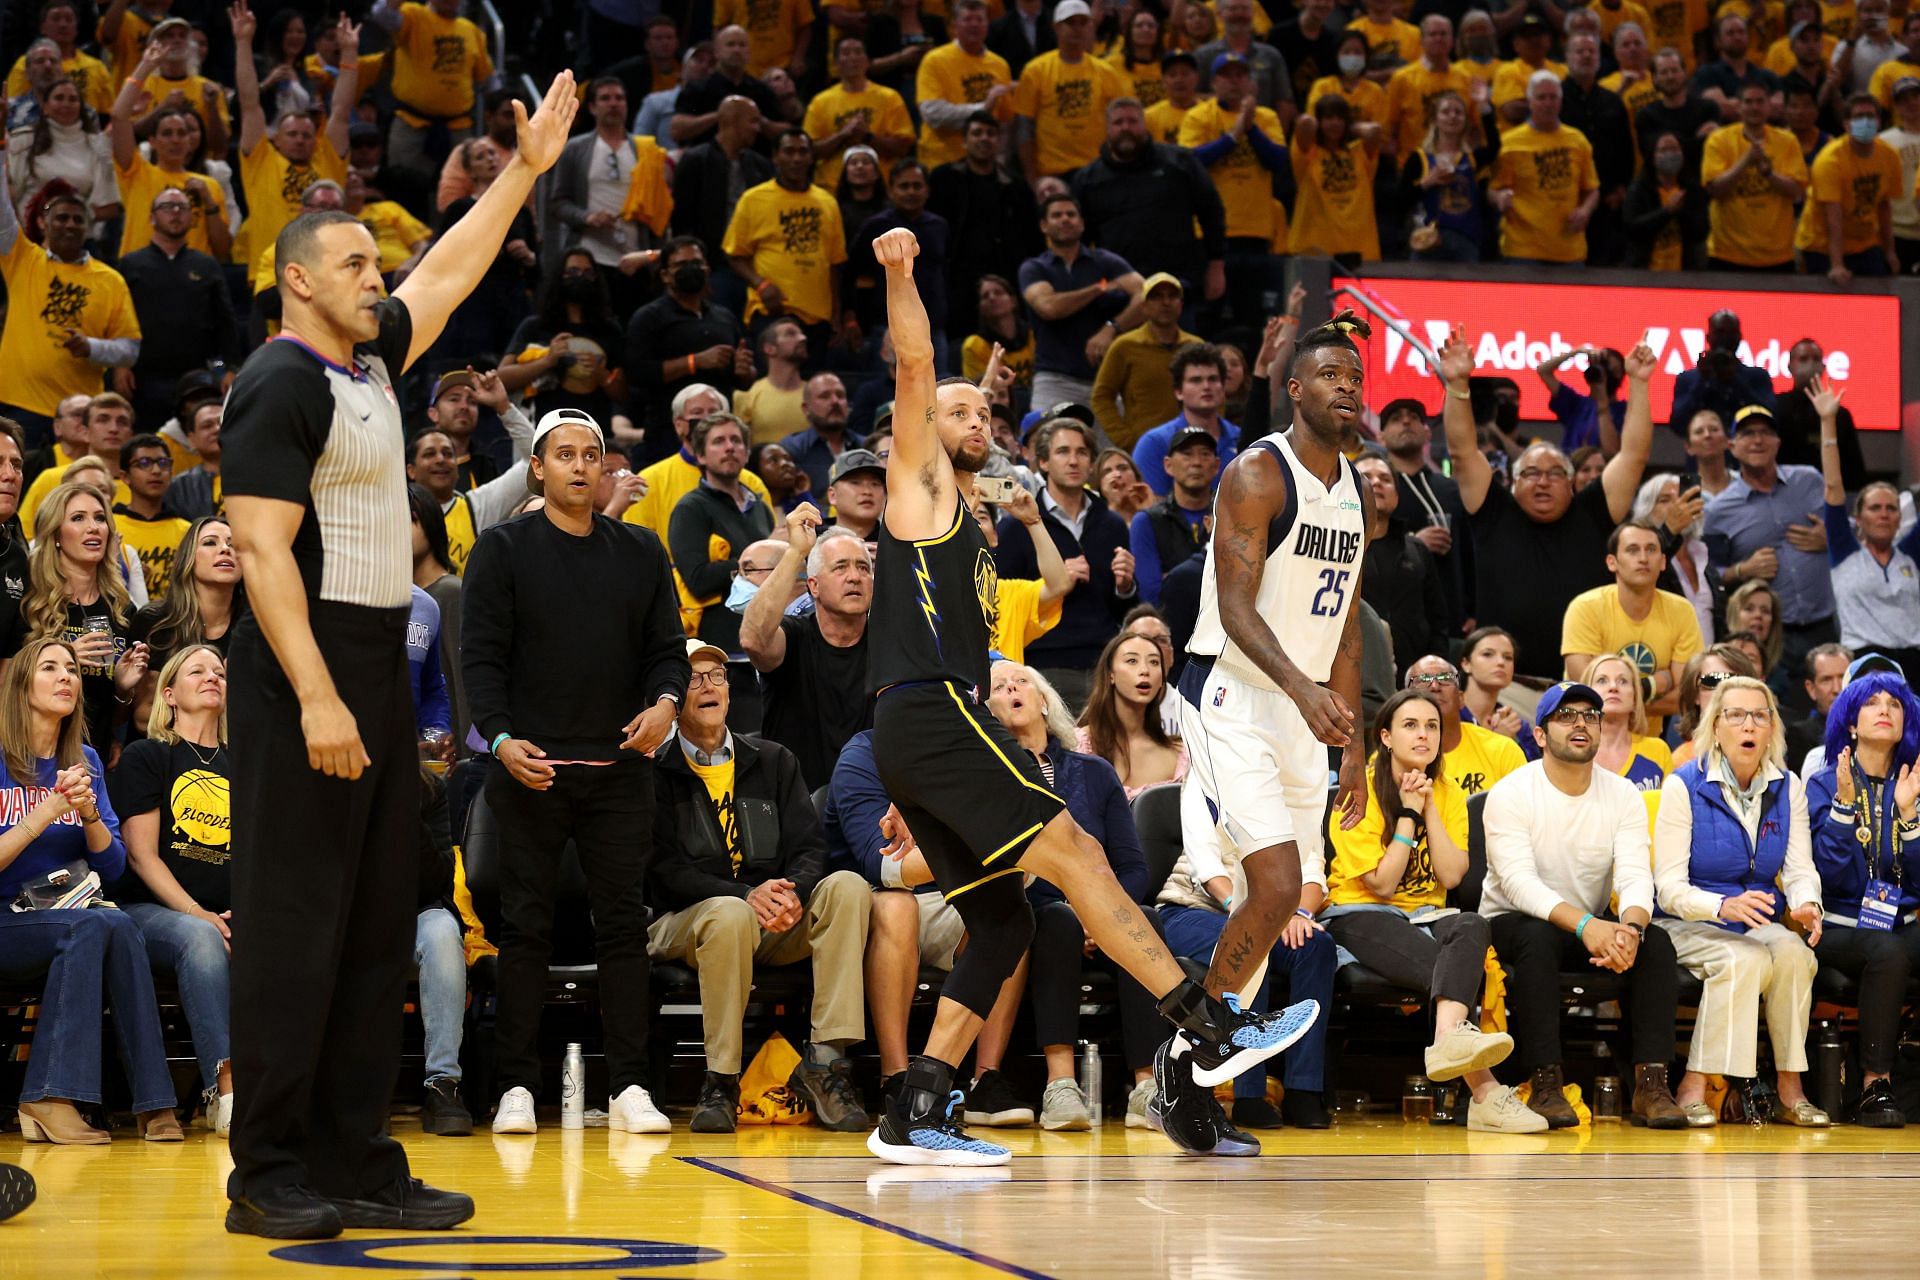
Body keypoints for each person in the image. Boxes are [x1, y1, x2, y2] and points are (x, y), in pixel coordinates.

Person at [864, 223, 1315, 1165]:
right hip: (929, 711)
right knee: (1072, 852)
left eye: (983, 414)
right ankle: (1207, 1024)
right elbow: (913, 363)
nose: (973, 423)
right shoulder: (916, 490)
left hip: (931, 722)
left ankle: (918, 1107)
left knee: (1003, 919)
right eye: (956, 415)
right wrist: (904, 276)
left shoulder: (974, 533)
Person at [216, 71, 578, 1240]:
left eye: (380, 264)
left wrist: (522, 172)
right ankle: (265, 1168)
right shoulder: (276, 380)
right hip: (304, 669)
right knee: (294, 923)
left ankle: (359, 1153)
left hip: (376, 656)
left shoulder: (365, 366)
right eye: (359, 265)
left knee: (377, 924)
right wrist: (320, 696)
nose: (381, 278)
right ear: (300, 280)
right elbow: (262, 554)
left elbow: (451, 270)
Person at [465, 405, 689, 1141]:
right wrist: (499, 741)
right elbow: (481, 662)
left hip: (621, 770)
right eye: (564, 454)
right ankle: (516, 1089)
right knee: (524, 931)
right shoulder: (501, 550)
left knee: (623, 928)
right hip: (529, 771)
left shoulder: (640, 551)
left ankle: (628, 1085)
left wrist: (665, 703)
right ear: (537, 466)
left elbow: (667, 648)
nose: (580, 465)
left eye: (591, 454)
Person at [648, 638, 872, 1133]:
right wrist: (743, 896)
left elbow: (810, 846)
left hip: (771, 918)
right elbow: (663, 871)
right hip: (683, 921)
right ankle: (721, 1080)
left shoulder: (772, 760)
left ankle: (825, 1062)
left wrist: (791, 894)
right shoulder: (655, 772)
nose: (708, 686)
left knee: (848, 887)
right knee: (728, 915)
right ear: (668, 698)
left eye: (717, 677)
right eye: (693, 678)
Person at [1323, 690, 1545, 1133]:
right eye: (1410, 726)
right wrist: (1407, 814)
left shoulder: (1445, 790)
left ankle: (1449, 1044)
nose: (1423, 735)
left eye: (1431, 726)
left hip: (1426, 914)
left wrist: (1430, 809)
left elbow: (1451, 876)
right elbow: (1382, 884)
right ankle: (1485, 1092)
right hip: (1359, 913)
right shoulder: (1357, 792)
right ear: (1384, 736)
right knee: (1452, 970)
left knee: (1472, 923)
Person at [1481, 681, 1688, 1130]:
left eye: (1590, 716)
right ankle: (1545, 1083)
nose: (1581, 724)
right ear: (1539, 735)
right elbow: (1518, 884)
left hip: (1585, 926)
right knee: (1537, 937)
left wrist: (1630, 929)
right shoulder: (1511, 792)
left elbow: (1635, 876)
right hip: (1512, 924)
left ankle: (1651, 1084)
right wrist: (1588, 926)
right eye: (1566, 716)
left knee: (1657, 944)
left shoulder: (1623, 794)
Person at [0, 636, 178, 1145]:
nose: (66, 677)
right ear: (20, 686)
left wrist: (88, 814)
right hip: (7, 918)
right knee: (97, 923)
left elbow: (114, 867)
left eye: (73, 670)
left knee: (114, 922)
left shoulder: (86, 761)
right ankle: (49, 1095)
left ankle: (153, 1102)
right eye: (50, 668)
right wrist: (41, 818)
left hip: (70, 914)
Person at [985, 660, 1164, 1130]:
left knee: (1144, 916)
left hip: (1104, 911)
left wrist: (1101, 915)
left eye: (1020, 681)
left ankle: (1147, 1085)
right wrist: (1081, 913)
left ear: (1044, 700)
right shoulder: (989, 778)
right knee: (1057, 921)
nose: (1011, 689)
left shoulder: (1095, 772)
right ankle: (1059, 1085)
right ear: (988, 714)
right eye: (998, 688)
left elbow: (1132, 865)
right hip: (1039, 912)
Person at [823, 727, 1033, 1124]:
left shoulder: (978, 750)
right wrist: (987, 852)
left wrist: (1001, 855)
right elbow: (882, 865)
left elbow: (1025, 856)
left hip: (952, 897)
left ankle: (985, 1080)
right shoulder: (863, 755)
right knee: (897, 907)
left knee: (1009, 911)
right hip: (872, 904)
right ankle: (895, 1076)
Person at [1653, 674, 1827, 1127]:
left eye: (1759, 715)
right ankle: (1696, 1085)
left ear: (1772, 729)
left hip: (1754, 921)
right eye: (1735, 715)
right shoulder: (1682, 785)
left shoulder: (1787, 787)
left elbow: (1799, 868)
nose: (1748, 725)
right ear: (1714, 727)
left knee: (1794, 954)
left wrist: (1807, 904)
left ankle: (1791, 1089)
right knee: (1745, 959)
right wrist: (1719, 906)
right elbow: (1667, 887)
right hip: (1684, 920)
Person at [1445, 326, 1656, 681]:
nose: (1542, 481)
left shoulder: (1592, 510)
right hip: (1503, 687)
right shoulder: (1493, 510)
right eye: (1530, 473)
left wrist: (1638, 383)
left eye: (1555, 473)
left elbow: (1633, 455)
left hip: (1583, 682)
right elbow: (1462, 452)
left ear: (1573, 483)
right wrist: (1457, 385)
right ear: (1511, 482)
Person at [112, 643, 235, 1134]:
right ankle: (225, 1092)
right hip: (147, 911)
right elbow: (141, 856)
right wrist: (197, 912)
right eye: (197, 671)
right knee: (201, 937)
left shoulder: (244, 764)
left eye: (220, 672)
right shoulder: (149, 756)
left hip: (222, 914)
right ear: (170, 693)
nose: (212, 677)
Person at [1805, 670, 1920, 1126]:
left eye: (1894, 704)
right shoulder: (1821, 783)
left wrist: (1910, 818)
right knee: (1887, 953)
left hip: (1899, 923)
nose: (1885, 710)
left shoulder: (1914, 781)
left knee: (1893, 945)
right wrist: (1842, 808)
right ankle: (1876, 1084)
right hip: (1838, 926)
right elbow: (1826, 875)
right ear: (1852, 723)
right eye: (1873, 703)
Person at [994, 417, 1138, 708]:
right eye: (1063, 451)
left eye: (1082, 452)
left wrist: (1125, 587)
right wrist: (1054, 583)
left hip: (1103, 660)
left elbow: (1122, 609)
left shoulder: (1112, 524)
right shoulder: (1015, 526)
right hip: (1045, 663)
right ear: (1043, 462)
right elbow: (1001, 603)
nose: (1073, 460)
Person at [1703, 403, 1835, 709]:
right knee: (1783, 714)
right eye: (1748, 434)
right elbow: (1709, 575)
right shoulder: (1718, 511)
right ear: (1732, 447)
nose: (1758, 440)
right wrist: (1742, 569)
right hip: (1773, 634)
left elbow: (1850, 529)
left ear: (1778, 442)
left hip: (1825, 622)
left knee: (1835, 710)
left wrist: (1831, 539)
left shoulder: (1809, 480)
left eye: (1766, 432)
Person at [0, 183, 141, 449]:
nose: (70, 224)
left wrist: (91, 347)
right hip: (17, 406)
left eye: (78, 219)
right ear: (44, 223)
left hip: (81, 415)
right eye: (62, 217)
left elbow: (129, 350)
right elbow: (2, 212)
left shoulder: (111, 281)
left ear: (87, 228)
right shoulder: (23, 259)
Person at [741, 514, 873, 789]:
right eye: (840, 568)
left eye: (863, 567)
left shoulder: (889, 641)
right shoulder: (795, 635)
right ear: (813, 586)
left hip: (872, 803)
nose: (854, 577)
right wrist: (795, 551)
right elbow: (754, 640)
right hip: (793, 805)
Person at [1071, 99, 1225, 321]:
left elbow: (1211, 211)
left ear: (1145, 124)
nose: (1126, 128)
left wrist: (1216, 265)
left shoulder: (1179, 162)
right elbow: (1081, 240)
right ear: (1106, 128)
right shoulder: (1087, 179)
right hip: (1118, 292)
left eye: (1133, 121)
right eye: (1118, 122)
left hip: (1177, 286)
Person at [25, 481, 150, 752]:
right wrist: (65, 656)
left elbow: (115, 715)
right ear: (55, 533)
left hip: (96, 758)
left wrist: (122, 689)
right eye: (78, 518)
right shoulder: (30, 601)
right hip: (33, 756)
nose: (93, 527)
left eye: (100, 518)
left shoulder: (123, 611)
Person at [229, 4, 354, 275]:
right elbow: (249, 103)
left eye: (307, 135)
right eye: (293, 134)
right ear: (276, 138)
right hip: (270, 279)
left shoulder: (328, 162)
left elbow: (342, 111)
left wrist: (349, 53)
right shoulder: (261, 161)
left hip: (324, 277)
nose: (300, 140)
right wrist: (243, 42)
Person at [1810, 378, 1920, 675]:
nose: (1884, 514)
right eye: (1875, 508)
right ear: (1858, 519)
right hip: (1864, 663)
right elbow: (1833, 487)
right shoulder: (1845, 551)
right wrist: (1828, 421)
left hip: (1914, 665)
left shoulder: (1911, 554)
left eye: (1891, 508)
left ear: (1900, 518)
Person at [114, 188, 243, 434]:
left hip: (196, 378)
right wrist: (121, 365)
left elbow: (226, 322)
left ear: (193, 219)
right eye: (167, 207)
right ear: (152, 218)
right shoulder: (131, 264)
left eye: (182, 208)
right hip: (144, 377)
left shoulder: (207, 265)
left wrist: (230, 367)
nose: (175, 213)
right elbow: (116, 319)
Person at [1561, 519, 1705, 730]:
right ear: (1612, 562)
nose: (1643, 558)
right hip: (1587, 735)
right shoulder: (1585, 608)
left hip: (1649, 741)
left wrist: (1617, 702)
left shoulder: (1682, 611)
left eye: (1651, 549)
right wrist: (1656, 684)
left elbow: (1685, 697)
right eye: (1632, 550)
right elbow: (1586, 691)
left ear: (1663, 561)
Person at [1175, 55, 1286, 327]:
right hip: (1211, 235)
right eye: (1226, 75)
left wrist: (1251, 128)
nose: (1234, 81)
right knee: (1208, 316)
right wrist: (1233, 136)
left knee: (1252, 317)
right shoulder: (1198, 116)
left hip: (1255, 232)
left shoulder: (1267, 117)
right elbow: (1190, 161)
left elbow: (1278, 161)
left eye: (1240, 75)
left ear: (1250, 82)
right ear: (1214, 83)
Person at [1018, 194, 1145, 419]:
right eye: (1057, 215)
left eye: (1071, 214)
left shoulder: (1105, 260)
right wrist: (1098, 288)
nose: (1065, 219)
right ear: (1043, 226)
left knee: (1114, 453)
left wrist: (1111, 328)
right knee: (1048, 448)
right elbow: (1049, 307)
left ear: (1082, 223)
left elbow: (1145, 295)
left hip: (1106, 381)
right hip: (1054, 379)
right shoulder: (1034, 267)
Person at [724, 131, 848, 355]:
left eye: (803, 152)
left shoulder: (827, 202)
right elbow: (734, 254)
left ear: (812, 158)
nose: (796, 158)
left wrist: (836, 318)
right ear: (775, 157)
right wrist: (761, 285)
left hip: (817, 316)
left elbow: (834, 265)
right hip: (772, 312)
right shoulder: (753, 199)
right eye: (789, 151)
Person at [669, 413, 775, 655]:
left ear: (747, 454)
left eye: (736, 441)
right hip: (720, 645)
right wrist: (754, 566)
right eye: (719, 441)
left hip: (765, 637)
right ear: (700, 456)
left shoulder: (759, 507)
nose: (729, 447)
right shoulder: (691, 508)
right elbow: (698, 580)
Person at [1011, 0, 1132, 186]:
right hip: (1053, 173)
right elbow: (1024, 128)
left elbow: (1119, 122)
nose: (1077, 28)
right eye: (1071, 22)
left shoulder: (1106, 72)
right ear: (1057, 27)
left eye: (1083, 22)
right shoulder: (1035, 71)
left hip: (1097, 170)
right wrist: (1031, 176)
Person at [369, 0, 495, 174]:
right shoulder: (414, 15)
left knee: (461, 189)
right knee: (404, 185)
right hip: (412, 125)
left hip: (458, 128)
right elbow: (382, 15)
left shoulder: (471, 30)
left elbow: (488, 80)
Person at [1489, 71, 1602, 265]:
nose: (1548, 103)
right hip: (1523, 250)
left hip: (1569, 250)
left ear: (1561, 101)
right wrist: (1499, 199)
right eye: (1541, 97)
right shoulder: (1510, 143)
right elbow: (1493, 188)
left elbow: (1592, 189)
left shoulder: (1577, 140)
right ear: (1530, 101)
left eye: (1553, 97)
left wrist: (1585, 211)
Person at [1357, 455, 1448, 679]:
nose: (1376, 483)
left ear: (1397, 496)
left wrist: (1431, 674)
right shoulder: (1336, 546)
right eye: (1366, 477)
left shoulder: (1417, 550)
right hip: (1355, 675)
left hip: (1413, 679)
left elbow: (1437, 620)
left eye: (1385, 479)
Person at [1796, 92, 1904, 281]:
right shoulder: (1830, 160)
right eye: (1859, 117)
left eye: (1870, 116)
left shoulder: (1889, 155)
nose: (1865, 122)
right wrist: (1837, 265)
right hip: (1821, 245)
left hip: (1864, 242)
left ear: (1879, 122)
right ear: (1847, 124)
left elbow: (1884, 206)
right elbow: (1833, 218)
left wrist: (1889, 252)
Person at [1702, 83, 1810, 270]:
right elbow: (1714, 190)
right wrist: (1746, 161)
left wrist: (1768, 172)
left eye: (1760, 101)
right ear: (1739, 107)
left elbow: (1797, 191)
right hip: (1728, 254)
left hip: (1777, 255)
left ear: (1769, 106)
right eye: (1748, 102)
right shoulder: (1719, 140)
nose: (1754, 107)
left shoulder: (1787, 140)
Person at [1073, 631, 1187, 799]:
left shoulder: (1180, 755)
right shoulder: (1078, 745)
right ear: (1111, 674)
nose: (1144, 670)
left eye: (1154, 662)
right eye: (1132, 661)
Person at [916, 0, 1015, 171]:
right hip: (942, 163)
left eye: (979, 19)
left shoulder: (999, 64)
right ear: (954, 26)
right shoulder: (935, 60)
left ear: (987, 24)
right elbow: (933, 113)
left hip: (986, 165)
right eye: (968, 19)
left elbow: (1005, 121)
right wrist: (982, 108)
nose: (974, 24)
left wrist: (1000, 158)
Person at [1133, 344, 1238, 496]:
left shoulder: (1241, 439)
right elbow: (1149, 509)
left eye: (1213, 379)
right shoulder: (1154, 443)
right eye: (1196, 380)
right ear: (1178, 392)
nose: (1206, 386)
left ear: (1222, 387)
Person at [6, 77, 114, 222]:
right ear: (45, 107)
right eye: (59, 98)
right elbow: (9, 194)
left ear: (81, 106)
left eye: (72, 99)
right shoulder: (23, 139)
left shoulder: (96, 144)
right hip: (26, 233)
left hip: (78, 233)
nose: (66, 104)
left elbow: (107, 204)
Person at [1129, 425, 1215, 606]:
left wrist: (1171, 579)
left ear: (1216, 466)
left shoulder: (1232, 515)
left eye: (1205, 454)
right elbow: (1151, 596)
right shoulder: (1147, 521)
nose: (1196, 462)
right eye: (1187, 454)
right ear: (1168, 465)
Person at [1581, 652, 1675, 803]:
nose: (1613, 687)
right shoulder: (1572, 752)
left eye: (1623, 681)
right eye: (1602, 680)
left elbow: (1670, 815)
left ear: (1635, 698)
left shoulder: (1658, 751)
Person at [112, 434, 189, 601]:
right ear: (125, 476)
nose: (156, 471)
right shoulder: (108, 527)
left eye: (163, 463)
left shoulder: (188, 532)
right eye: (144, 463)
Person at [1459, 626, 1539, 761]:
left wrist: (1512, 743)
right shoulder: (1449, 717)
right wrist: (1498, 742)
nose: (1501, 662)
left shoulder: (1516, 725)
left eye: (1508, 657)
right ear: (1466, 664)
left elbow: (1533, 773)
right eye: (1487, 654)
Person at [734, 318, 810, 446]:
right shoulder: (748, 396)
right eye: (790, 334)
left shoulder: (816, 395)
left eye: (801, 333)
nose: (803, 338)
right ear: (770, 349)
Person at [1788, 642, 1852, 768]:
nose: (1837, 689)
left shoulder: (1871, 729)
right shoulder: (1800, 736)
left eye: (1843, 677)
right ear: (1811, 689)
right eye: (1826, 680)